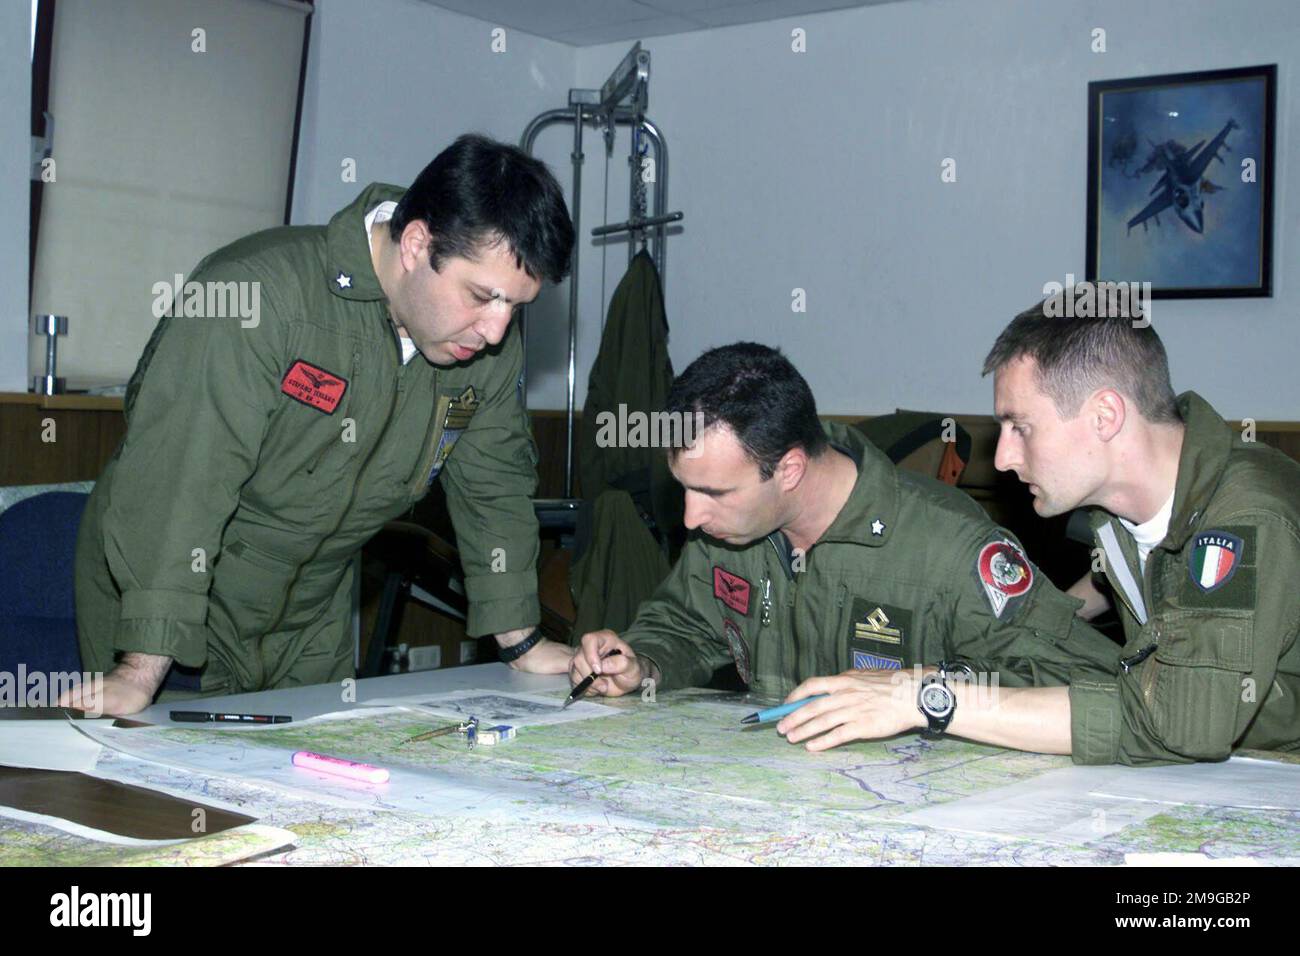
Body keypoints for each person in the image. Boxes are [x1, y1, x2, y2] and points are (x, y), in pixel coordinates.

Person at [66, 134, 577, 716]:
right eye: (482, 296)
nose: (495, 330)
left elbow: (494, 490)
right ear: (415, 243)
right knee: (170, 790)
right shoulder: (257, 296)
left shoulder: (481, 347)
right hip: (183, 595)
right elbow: (183, 482)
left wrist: (522, 641)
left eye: (515, 306)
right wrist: (141, 667)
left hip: (315, 607)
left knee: (320, 791)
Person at [781, 304, 1300, 764]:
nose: (1003, 457)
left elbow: (1182, 721)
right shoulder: (1120, 512)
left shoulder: (1244, 522)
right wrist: (944, 672)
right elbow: (1090, 606)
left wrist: (927, 699)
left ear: (1105, 416)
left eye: (1020, 427)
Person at [569, 343, 1118, 730]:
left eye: (713, 492)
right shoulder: (728, 529)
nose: (689, 517)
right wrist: (640, 663)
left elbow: (1084, 678)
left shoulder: (949, 546)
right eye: (684, 489)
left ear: (788, 470)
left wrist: (922, 691)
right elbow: (686, 624)